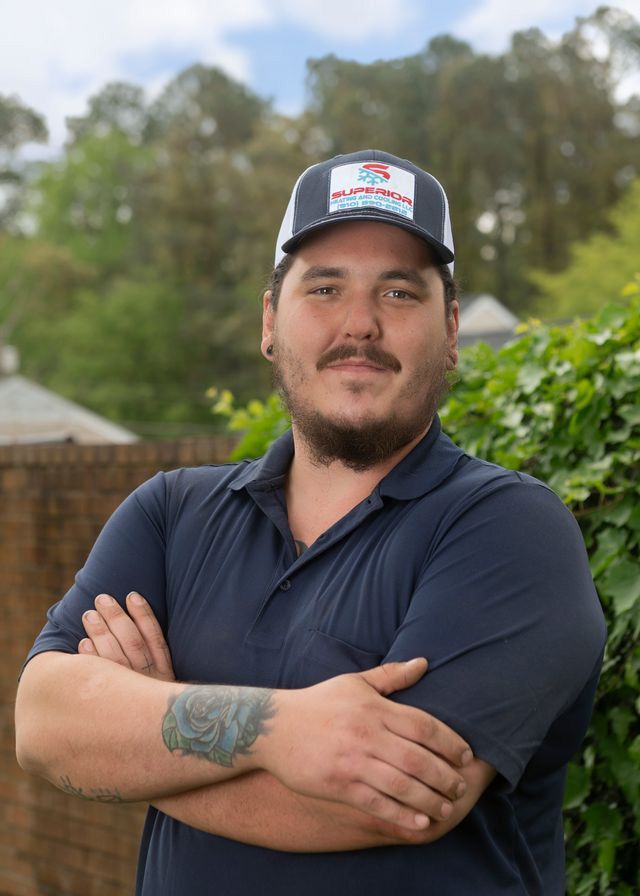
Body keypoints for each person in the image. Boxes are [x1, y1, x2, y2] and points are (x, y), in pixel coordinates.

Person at [15, 150, 606, 895]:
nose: (359, 324)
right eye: (324, 287)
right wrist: (282, 731)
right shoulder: (170, 514)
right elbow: (42, 723)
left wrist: (144, 739)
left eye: (399, 291)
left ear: (452, 332)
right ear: (270, 320)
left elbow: (400, 801)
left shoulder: (511, 530)